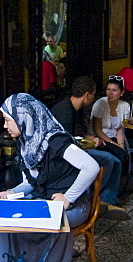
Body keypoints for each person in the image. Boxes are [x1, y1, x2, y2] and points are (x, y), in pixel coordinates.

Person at [0, 94, 100, 262]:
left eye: (8, 119)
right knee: (4, 228)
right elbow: (31, 183)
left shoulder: (55, 140)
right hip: (46, 199)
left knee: (45, 226)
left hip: (74, 204)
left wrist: (68, 198)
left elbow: (92, 167)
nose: (5, 126)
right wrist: (11, 192)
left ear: (24, 117)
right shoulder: (27, 142)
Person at [50, 76, 127, 220]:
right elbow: (66, 144)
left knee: (116, 161)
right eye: (93, 94)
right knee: (108, 160)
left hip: (76, 148)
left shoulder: (75, 107)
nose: (93, 98)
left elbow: (76, 134)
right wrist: (88, 142)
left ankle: (106, 200)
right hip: (63, 156)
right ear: (86, 95)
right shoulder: (64, 112)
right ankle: (92, 197)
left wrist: (89, 138)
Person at [90, 76, 131, 169]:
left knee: (130, 152)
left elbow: (120, 128)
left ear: (122, 92)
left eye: (114, 90)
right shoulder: (100, 103)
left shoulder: (125, 105)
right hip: (100, 139)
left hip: (115, 137)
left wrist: (121, 144)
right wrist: (114, 144)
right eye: (108, 89)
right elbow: (97, 130)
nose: (110, 93)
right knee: (120, 155)